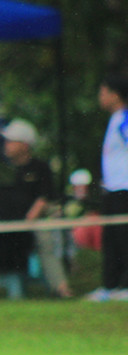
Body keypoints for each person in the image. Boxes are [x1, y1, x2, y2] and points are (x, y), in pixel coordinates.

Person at [0, 119, 68, 299]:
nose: (6, 145)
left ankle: (61, 288)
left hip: (32, 222)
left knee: (46, 241)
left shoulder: (40, 167)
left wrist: (27, 222)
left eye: (11, 141)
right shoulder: (2, 167)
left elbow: (44, 198)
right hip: (3, 222)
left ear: (24, 145)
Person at [86, 74, 128, 301]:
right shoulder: (114, 120)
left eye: (103, 92)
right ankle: (110, 286)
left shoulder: (125, 120)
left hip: (125, 189)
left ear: (114, 95)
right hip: (112, 189)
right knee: (110, 238)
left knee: (124, 237)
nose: (100, 97)